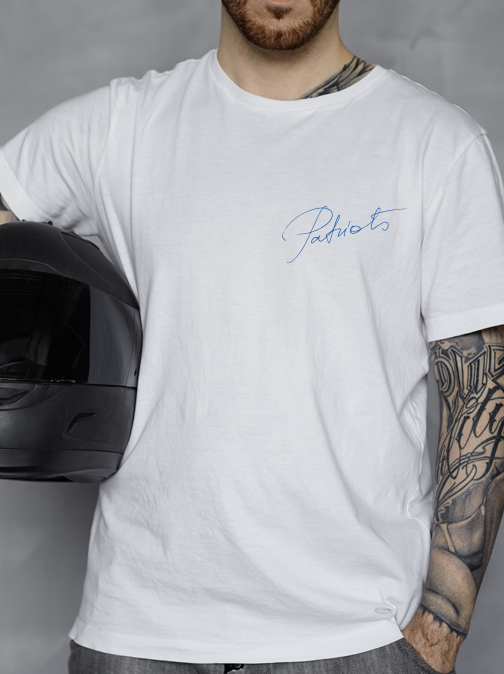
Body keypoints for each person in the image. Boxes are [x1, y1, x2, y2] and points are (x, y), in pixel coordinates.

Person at [1, 1, 504, 672]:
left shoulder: (438, 145)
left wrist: (438, 635)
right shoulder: (122, 127)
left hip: (354, 638)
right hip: (137, 635)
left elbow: (482, 400)